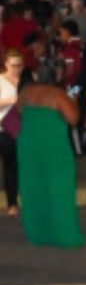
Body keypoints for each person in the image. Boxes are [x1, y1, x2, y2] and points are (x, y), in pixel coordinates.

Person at [17, 60, 85, 247]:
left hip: (28, 144)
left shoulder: (25, 93)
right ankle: (63, 232)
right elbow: (74, 119)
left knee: (33, 186)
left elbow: (19, 111)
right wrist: (75, 101)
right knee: (59, 187)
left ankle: (38, 231)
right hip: (53, 146)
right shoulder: (58, 95)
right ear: (57, 76)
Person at [0, 50, 24, 215]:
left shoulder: (27, 81)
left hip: (20, 130)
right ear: (6, 64)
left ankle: (12, 203)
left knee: (14, 167)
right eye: (13, 65)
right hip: (2, 128)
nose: (16, 69)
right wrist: (8, 101)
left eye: (19, 65)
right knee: (9, 164)